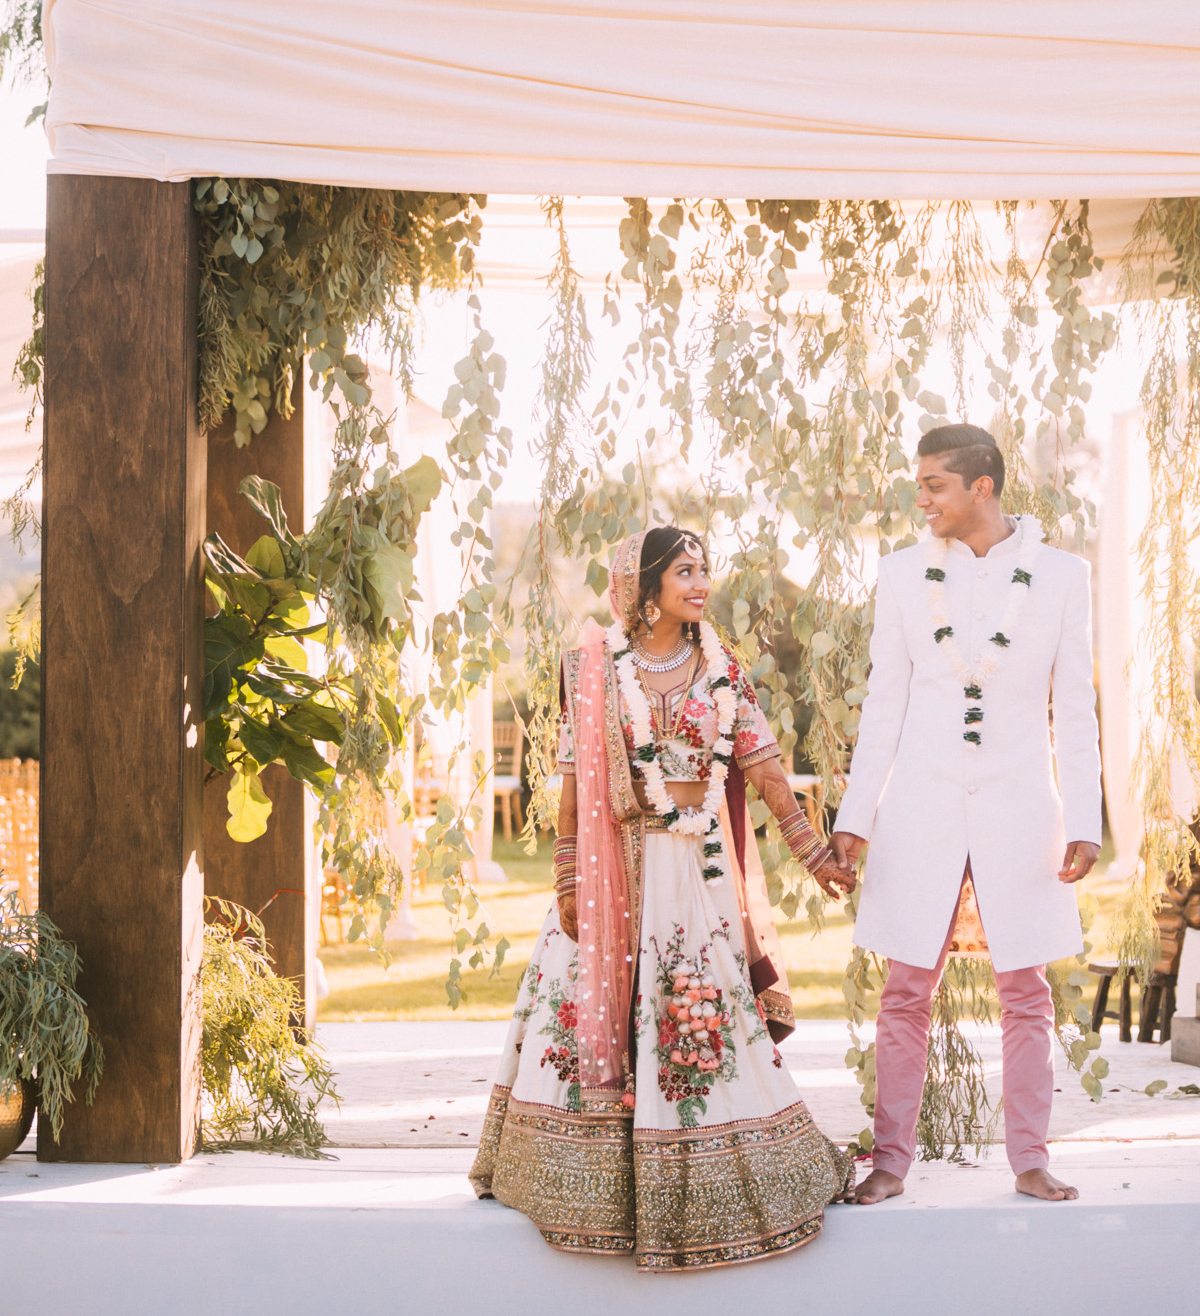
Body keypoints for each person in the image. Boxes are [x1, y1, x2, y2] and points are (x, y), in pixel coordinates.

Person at [471, 526, 858, 1270]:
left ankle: (714, 1166)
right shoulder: (594, 666)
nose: (702, 580)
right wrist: (565, 874)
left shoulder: (722, 669)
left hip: (691, 873)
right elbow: (576, 780)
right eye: (685, 570)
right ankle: (583, 1182)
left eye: (705, 567)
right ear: (644, 590)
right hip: (613, 862)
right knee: (588, 1010)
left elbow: (767, 765)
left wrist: (812, 851)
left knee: (694, 1014)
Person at [829, 423, 1103, 1204]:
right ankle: (889, 1160)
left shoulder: (1060, 576)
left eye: (934, 485)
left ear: (981, 486)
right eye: (919, 484)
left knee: (1027, 988)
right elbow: (883, 704)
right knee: (906, 987)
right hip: (921, 798)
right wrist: (857, 817)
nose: (921, 499)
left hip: (1022, 798)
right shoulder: (901, 574)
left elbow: (1076, 706)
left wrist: (1084, 816)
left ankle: (1030, 1159)